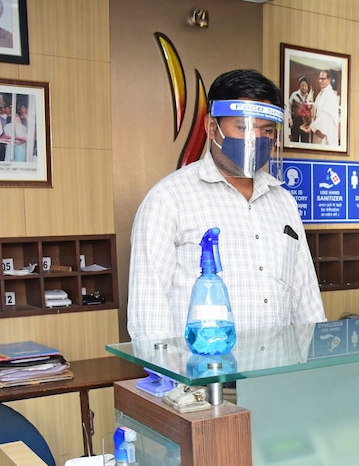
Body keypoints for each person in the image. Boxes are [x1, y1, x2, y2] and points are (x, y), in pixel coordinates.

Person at [128, 68, 325, 342]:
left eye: (267, 130)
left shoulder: (284, 203)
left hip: (279, 366)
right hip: (203, 366)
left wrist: (316, 355)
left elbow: (306, 299)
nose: (256, 138)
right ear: (212, 127)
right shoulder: (168, 200)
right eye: (243, 127)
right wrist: (172, 369)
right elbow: (148, 314)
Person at [307, 70, 339, 146]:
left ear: (329, 80)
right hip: (318, 130)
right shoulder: (321, 93)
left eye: (323, 79)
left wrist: (312, 127)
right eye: (319, 79)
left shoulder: (330, 95)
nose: (320, 81)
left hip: (324, 132)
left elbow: (325, 116)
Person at [288, 76, 311, 143]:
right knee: (294, 141)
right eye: (302, 85)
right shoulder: (294, 95)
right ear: (299, 86)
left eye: (305, 86)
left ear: (307, 87)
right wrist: (290, 119)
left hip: (305, 123)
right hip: (295, 122)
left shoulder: (309, 97)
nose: (304, 87)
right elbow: (289, 107)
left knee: (305, 142)